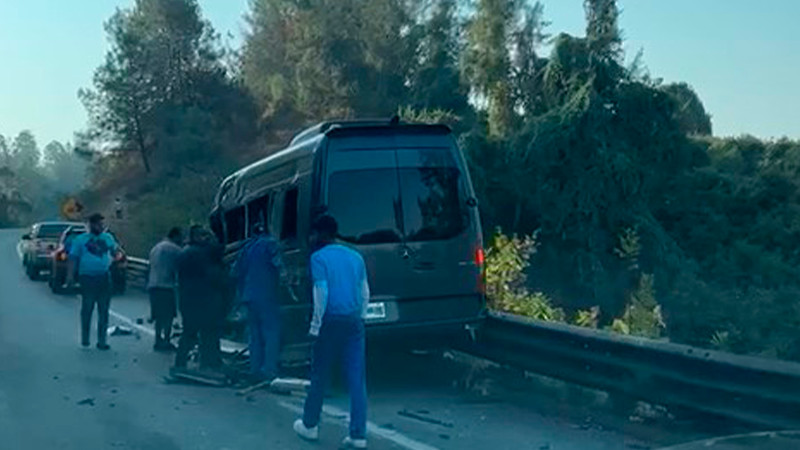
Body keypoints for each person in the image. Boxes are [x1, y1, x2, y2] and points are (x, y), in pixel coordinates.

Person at [294, 215, 371, 449]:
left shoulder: (318, 258)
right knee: (356, 378)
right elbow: (364, 291)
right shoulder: (355, 256)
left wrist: (315, 326)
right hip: (353, 321)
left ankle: (310, 424)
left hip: (330, 321)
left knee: (320, 374)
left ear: (321, 233)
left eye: (313, 234)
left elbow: (321, 292)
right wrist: (362, 316)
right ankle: (358, 434)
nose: (311, 238)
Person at [234, 222, 285, 383]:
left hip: (249, 297)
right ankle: (269, 370)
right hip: (267, 295)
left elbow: (235, 272)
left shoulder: (246, 248)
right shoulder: (270, 244)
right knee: (271, 333)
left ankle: (255, 368)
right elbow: (279, 267)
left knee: (254, 334)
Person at [174, 226, 225, 372]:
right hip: (204, 299)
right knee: (209, 333)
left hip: (187, 299)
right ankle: (209, 363)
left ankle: (180, 363)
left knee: (189, 332)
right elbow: (214, 274)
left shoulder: (184, 253)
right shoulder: (203, 253)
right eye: (204, 235)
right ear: (197, 236)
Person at [67, 213, 119, 350]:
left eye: (102, 224)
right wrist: (70, 276)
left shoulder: (108, 238)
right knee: (87, 308)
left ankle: (102, 341)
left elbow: (115, 253)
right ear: (91, 225)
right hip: (87, 277)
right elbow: (73, 258)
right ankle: (85, 338)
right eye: (98, 224)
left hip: (104, 277)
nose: (101, 227)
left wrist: (116, 257)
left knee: (104, 310)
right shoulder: (80, 240)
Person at [147, 227, 184, 351]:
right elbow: (180, 267)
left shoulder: (155, 248)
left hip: (153, 285)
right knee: (168, 316)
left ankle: (157, 340)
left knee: (158, 315)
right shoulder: (175, 249)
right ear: (176, 236)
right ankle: (166, 340)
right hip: (166, 286)